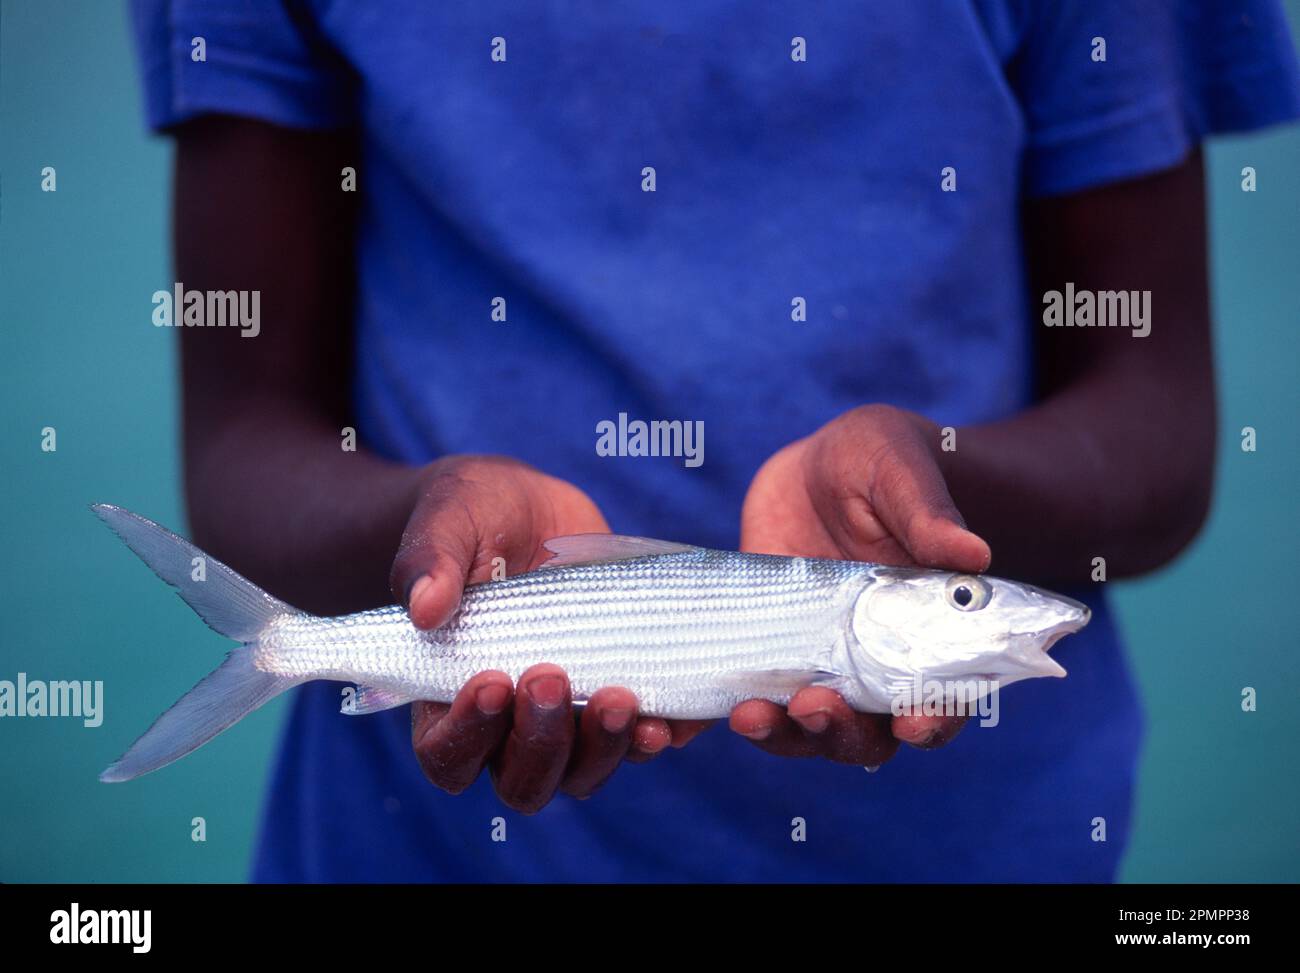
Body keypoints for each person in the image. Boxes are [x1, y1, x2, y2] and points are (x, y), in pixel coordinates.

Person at [130, 1, 1300, 881]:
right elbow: (241, 431)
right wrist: (419, 521)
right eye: (964, 603)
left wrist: (943, 477)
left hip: (983, 845)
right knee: (303, 649)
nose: (1011, 613)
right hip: (414, 852)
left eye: (960, 605)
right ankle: (282, 646)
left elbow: (1157, 427)